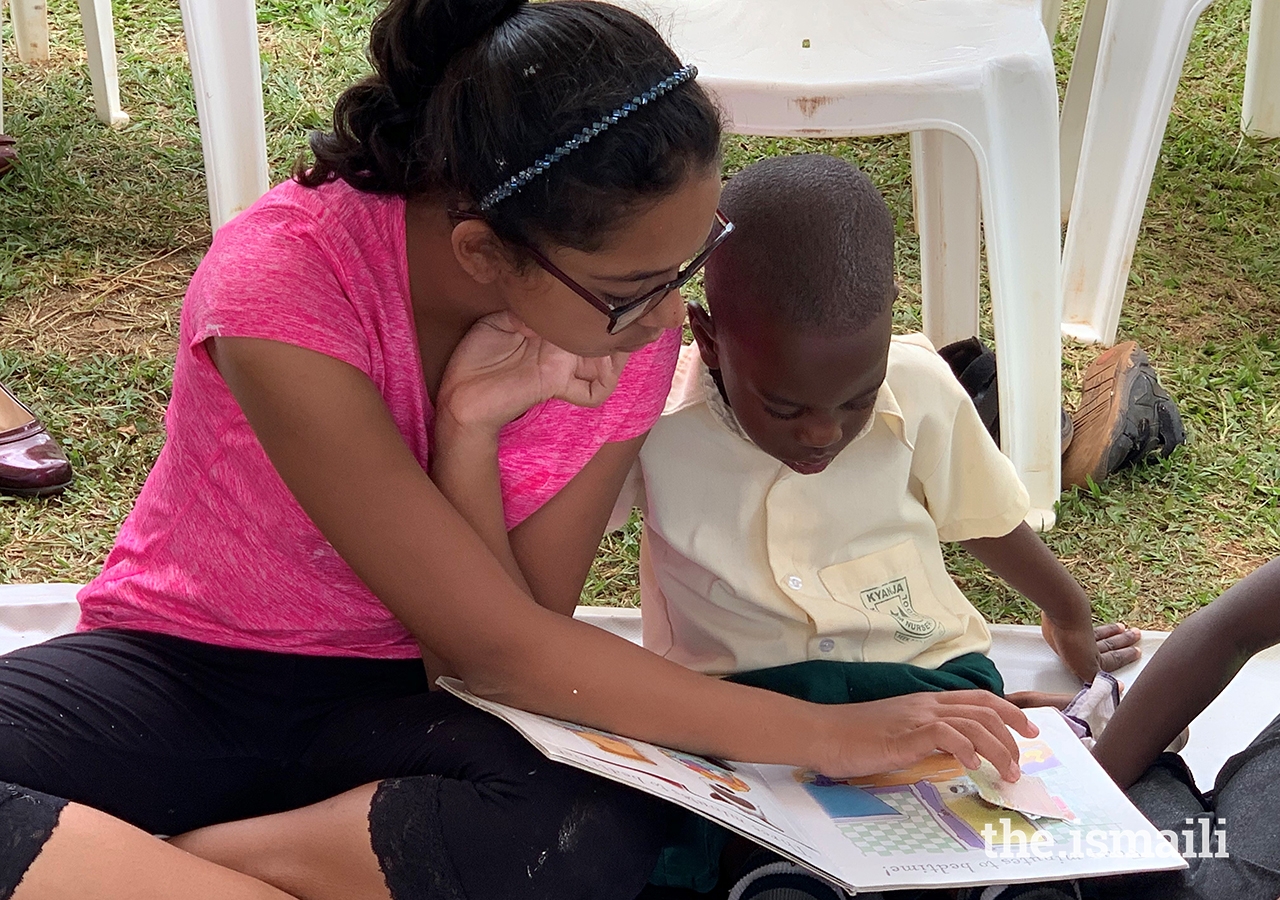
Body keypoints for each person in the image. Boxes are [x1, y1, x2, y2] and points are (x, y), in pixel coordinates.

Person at [0, 5, 1035, 900]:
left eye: (686, 261)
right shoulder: (285, 284)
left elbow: (497, 647)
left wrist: (469, 433)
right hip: (197, 670)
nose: (666, 318)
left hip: (417, 707)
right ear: (483, 252)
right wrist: (831, 735)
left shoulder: (618, 327)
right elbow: (502, 650)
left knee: (599, 821)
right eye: (632, 288)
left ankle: (128, 868)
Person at [628, 154, 1140, 898]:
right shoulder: (649, 422)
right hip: (742, 714)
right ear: (708, 340)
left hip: (928, 680)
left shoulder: (920, 384)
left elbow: (987, 522)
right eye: (786, 408)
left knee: (1015, 856)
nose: (822, 435)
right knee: (752, 873)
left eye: (856, 401)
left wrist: (1068, 617)